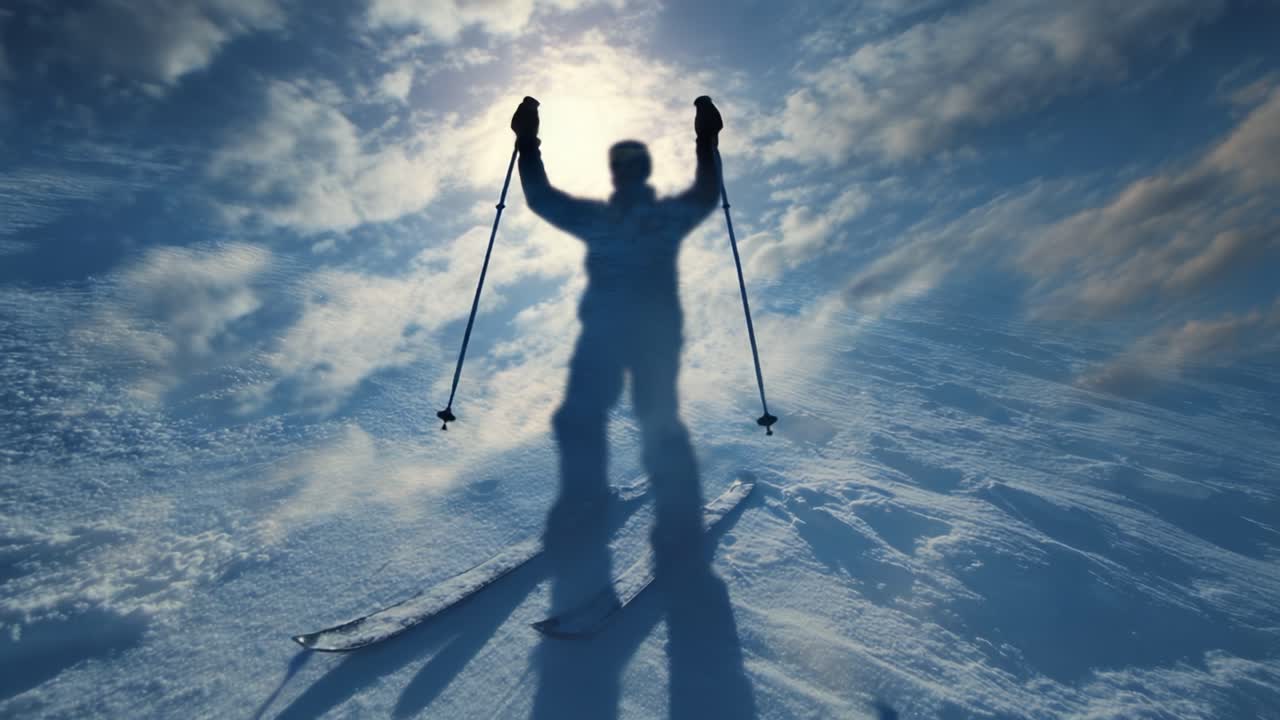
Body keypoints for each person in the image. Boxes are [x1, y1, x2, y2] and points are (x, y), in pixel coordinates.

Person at [510, 95, 723, 568]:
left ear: (637, 172)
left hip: (645, 336)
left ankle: (676, 526)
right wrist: (527, 142)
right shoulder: (625, 217)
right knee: (589, 418)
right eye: (621, 165)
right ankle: (593, 505)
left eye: (629, 165)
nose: (624, 172)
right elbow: (706, 193)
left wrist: (528, 142)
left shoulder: (644, 217)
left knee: (653, 422)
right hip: (615, 334)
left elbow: (542, 198)